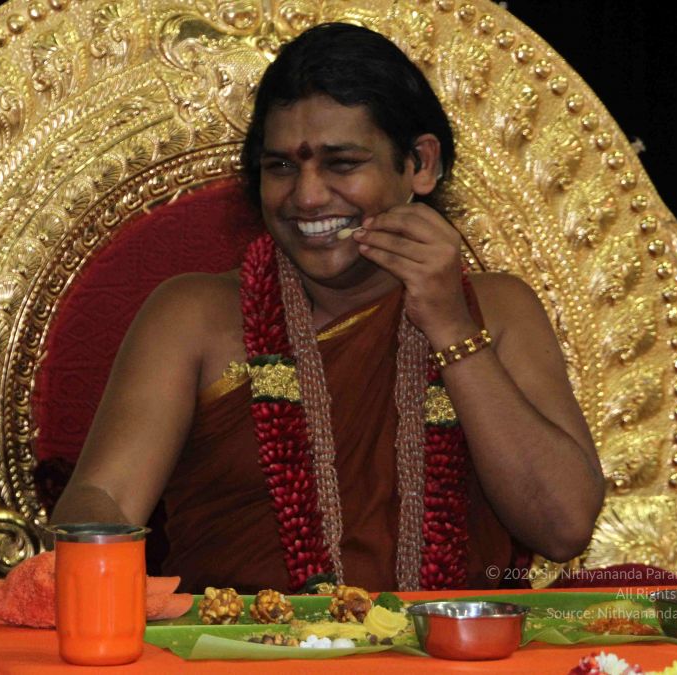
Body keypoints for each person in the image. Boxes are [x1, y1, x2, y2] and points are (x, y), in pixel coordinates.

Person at [52, 23, 604, 593]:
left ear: (419, 163)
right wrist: (92, 551)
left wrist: (450, 326)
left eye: (341, 164)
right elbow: (104, 498)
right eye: (281, 167)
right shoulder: (193, 317)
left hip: (450, 640)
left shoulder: (498, 311)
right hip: (237, 641)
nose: (308, 196)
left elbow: (562, 528)